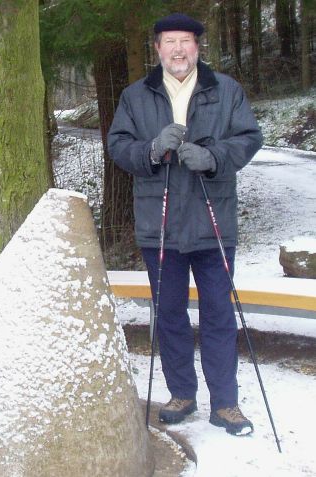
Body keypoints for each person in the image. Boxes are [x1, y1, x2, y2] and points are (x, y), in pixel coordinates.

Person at [107, 12, 263, 436]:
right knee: (170, 314)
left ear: (198, 47)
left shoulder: (225, 90)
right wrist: (153, 151)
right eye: (170, 41)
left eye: (187, 41)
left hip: (214, 223)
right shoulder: (134, 96)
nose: (178, 49)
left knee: (218, 314)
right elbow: (118, 146)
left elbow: (249, 137)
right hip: (158, 225)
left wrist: (213, 158)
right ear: (156, 47)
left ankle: (226, 404)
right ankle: (181, 394)